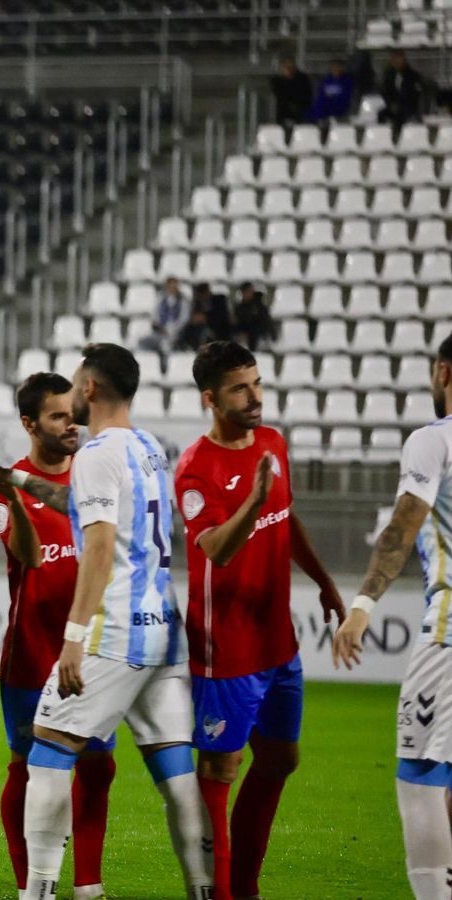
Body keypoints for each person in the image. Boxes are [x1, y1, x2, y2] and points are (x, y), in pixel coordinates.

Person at [0, 343, 212, 899]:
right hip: (165, 633)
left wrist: (75, 639)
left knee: (49, 747)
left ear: (90, 388)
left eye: (78, 380)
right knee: (177, 773)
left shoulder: (96, 454)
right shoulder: (149, 447)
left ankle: (36, 891)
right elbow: (84, 506)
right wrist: (23, 483)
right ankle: (204, 888)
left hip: (120, 630)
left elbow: (101, 549)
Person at [175, 341, 346, 899]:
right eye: (239, 388)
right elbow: (216, 550)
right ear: (210, 398)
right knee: (218, 776)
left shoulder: (272, 443)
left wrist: (322, 580)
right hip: (226, 653)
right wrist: (253, 499)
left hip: (278, 643)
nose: (255, 397)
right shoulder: (196, 469)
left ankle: (244, 885)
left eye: (257, 383)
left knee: (279, 758)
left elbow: (284, 514)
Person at [0, 373, 114, 900]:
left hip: (96, 653)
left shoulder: (95, 476)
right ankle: (31, 885)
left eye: (73, 412)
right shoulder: (8, 487)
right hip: (31, 654)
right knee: (28, 770)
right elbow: (27, 557)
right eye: (57, 416)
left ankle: (89, 885)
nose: (70, 423)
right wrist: (12, 493)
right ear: (29, 424)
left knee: (98, 766)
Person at [333, 335, 452, 900]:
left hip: (449, 629)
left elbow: (402, 526)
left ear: (442, 372)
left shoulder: (433, 440)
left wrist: (360, 608)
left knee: (419, 770)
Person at [138, 277, 189, 354]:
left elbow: (184, 319)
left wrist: (173, 329)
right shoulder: (160, 298)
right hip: (160, 332)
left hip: (176, 334)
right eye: (170, 286)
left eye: (174, 286)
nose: (172, 288)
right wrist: (159, 327)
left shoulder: (183, 300)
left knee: (167, 347)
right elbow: (155, 314)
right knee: (143, 343)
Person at [381, 50, 426, 128]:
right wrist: (390, 104)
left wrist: (403, 105)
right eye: (393, 59)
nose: (394, 61)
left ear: (403, 59)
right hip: (393, 107)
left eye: (396, 59)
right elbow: (385, 92)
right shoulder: (389, 75)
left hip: (408, 108)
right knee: (381, 115)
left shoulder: (412, 75)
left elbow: (416, 95)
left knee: (401, 116)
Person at [230, 282, 275, 351]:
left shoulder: (260, 306)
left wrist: (249, 333)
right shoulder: (239, 308)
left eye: (249, 291)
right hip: (244, 335)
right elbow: (237, 323)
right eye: (245, 291)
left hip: (258, 335)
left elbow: (264, 322)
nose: (248, 293)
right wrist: (240, 332)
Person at [270, 56, 312, 126]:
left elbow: (306, 97)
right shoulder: (277, 80)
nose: (288, 68)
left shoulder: (303, 79)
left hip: (301, 115)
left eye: (290, 65)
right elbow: (280, 96)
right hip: (282, 115)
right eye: (285, 66)